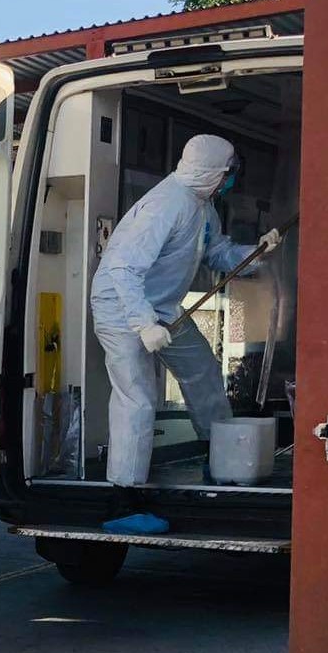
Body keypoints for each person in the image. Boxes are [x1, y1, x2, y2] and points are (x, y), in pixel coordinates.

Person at [89, 134, 281, 487]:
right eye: (227, 173)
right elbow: (123, 267)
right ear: (210, 172)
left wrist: (256, 252)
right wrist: (144, 324)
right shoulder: (165, 204)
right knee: (138, 397)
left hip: (164, 308)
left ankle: (219, 457)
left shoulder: (202, 207)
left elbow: (217, 253)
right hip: (122, 307)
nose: (229, 180)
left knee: (202, 371)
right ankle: (125, 492)